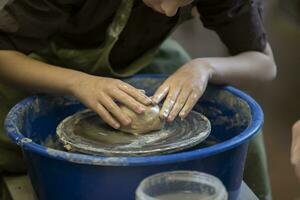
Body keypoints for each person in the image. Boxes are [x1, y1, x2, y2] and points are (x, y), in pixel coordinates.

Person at [0, 0, 276, 199]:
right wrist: (78, 82)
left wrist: (204, 68)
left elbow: (264, 64)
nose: (168, 9)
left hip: (141, 58)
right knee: (15, 155)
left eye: (183, 2)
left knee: (243, 135)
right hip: (42, 62)